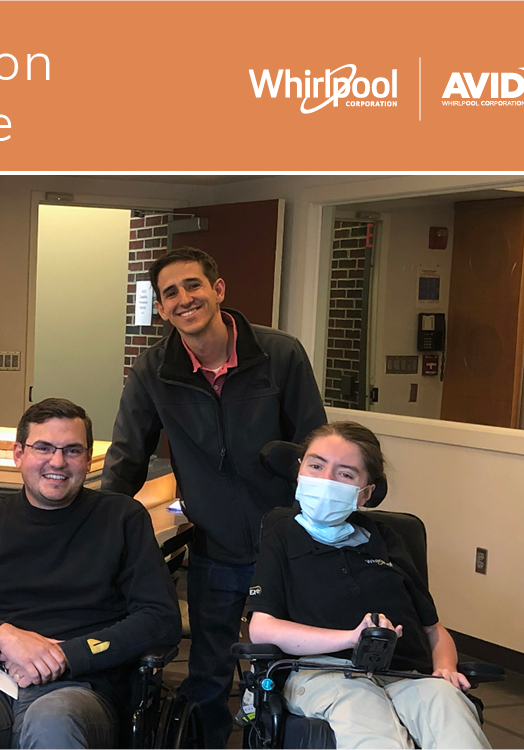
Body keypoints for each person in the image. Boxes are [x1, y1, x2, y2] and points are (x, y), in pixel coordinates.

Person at [101, 246, 327, 747]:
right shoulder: (154, 370)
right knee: (208, 675)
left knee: (287, 669)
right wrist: (96, 528)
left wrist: (317, 526)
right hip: (216, 547)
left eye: (193, 285)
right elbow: (126, 455)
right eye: (170, 293)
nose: (184, 299)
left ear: (218, 290)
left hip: (287, 543)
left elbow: (318, 447)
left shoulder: (280, 354)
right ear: (161, 308)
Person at [0, 398, 181, 749]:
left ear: (88, 459)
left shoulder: (121, 518)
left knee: (52, 722)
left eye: (72, 450)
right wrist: (5, 637)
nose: (57, 462)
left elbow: (160, 618)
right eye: (43, 447)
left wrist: (67, 655)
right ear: (19, 454)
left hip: (81, 687)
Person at [246, 421, 490, 749]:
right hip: (323, 673)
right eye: (316, 466)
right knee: (369, 725)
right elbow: (262, 629)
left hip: (406, 674)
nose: (325, 480)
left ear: (366, 492)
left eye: (345, 474)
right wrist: (350, 638)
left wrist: (445, 668)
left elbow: (434, 630)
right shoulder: (283, 534)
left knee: (452, 715)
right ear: (299, 469)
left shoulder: (387, 539)